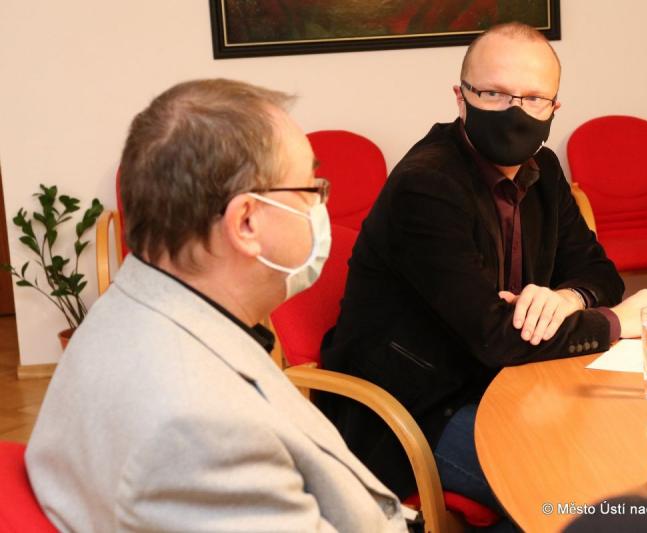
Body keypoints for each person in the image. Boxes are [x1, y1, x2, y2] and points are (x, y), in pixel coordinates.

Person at [25, 79, 406, 532]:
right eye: (310, 189)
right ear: (245, 222)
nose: (320, 207)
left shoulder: (135, 304)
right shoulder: (203, 431)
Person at [321, 22, 647, 526]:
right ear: (461, 99)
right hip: (421, 410)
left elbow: (599, 273)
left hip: (517, 385)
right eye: (494, 93)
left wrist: (567, 299)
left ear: (554, 108)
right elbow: (496, 337)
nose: (514, 112)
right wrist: (615, 322)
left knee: (637, 452)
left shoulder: (543, 169)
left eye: (533, 98)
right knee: (582, 488)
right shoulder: (426, 186)